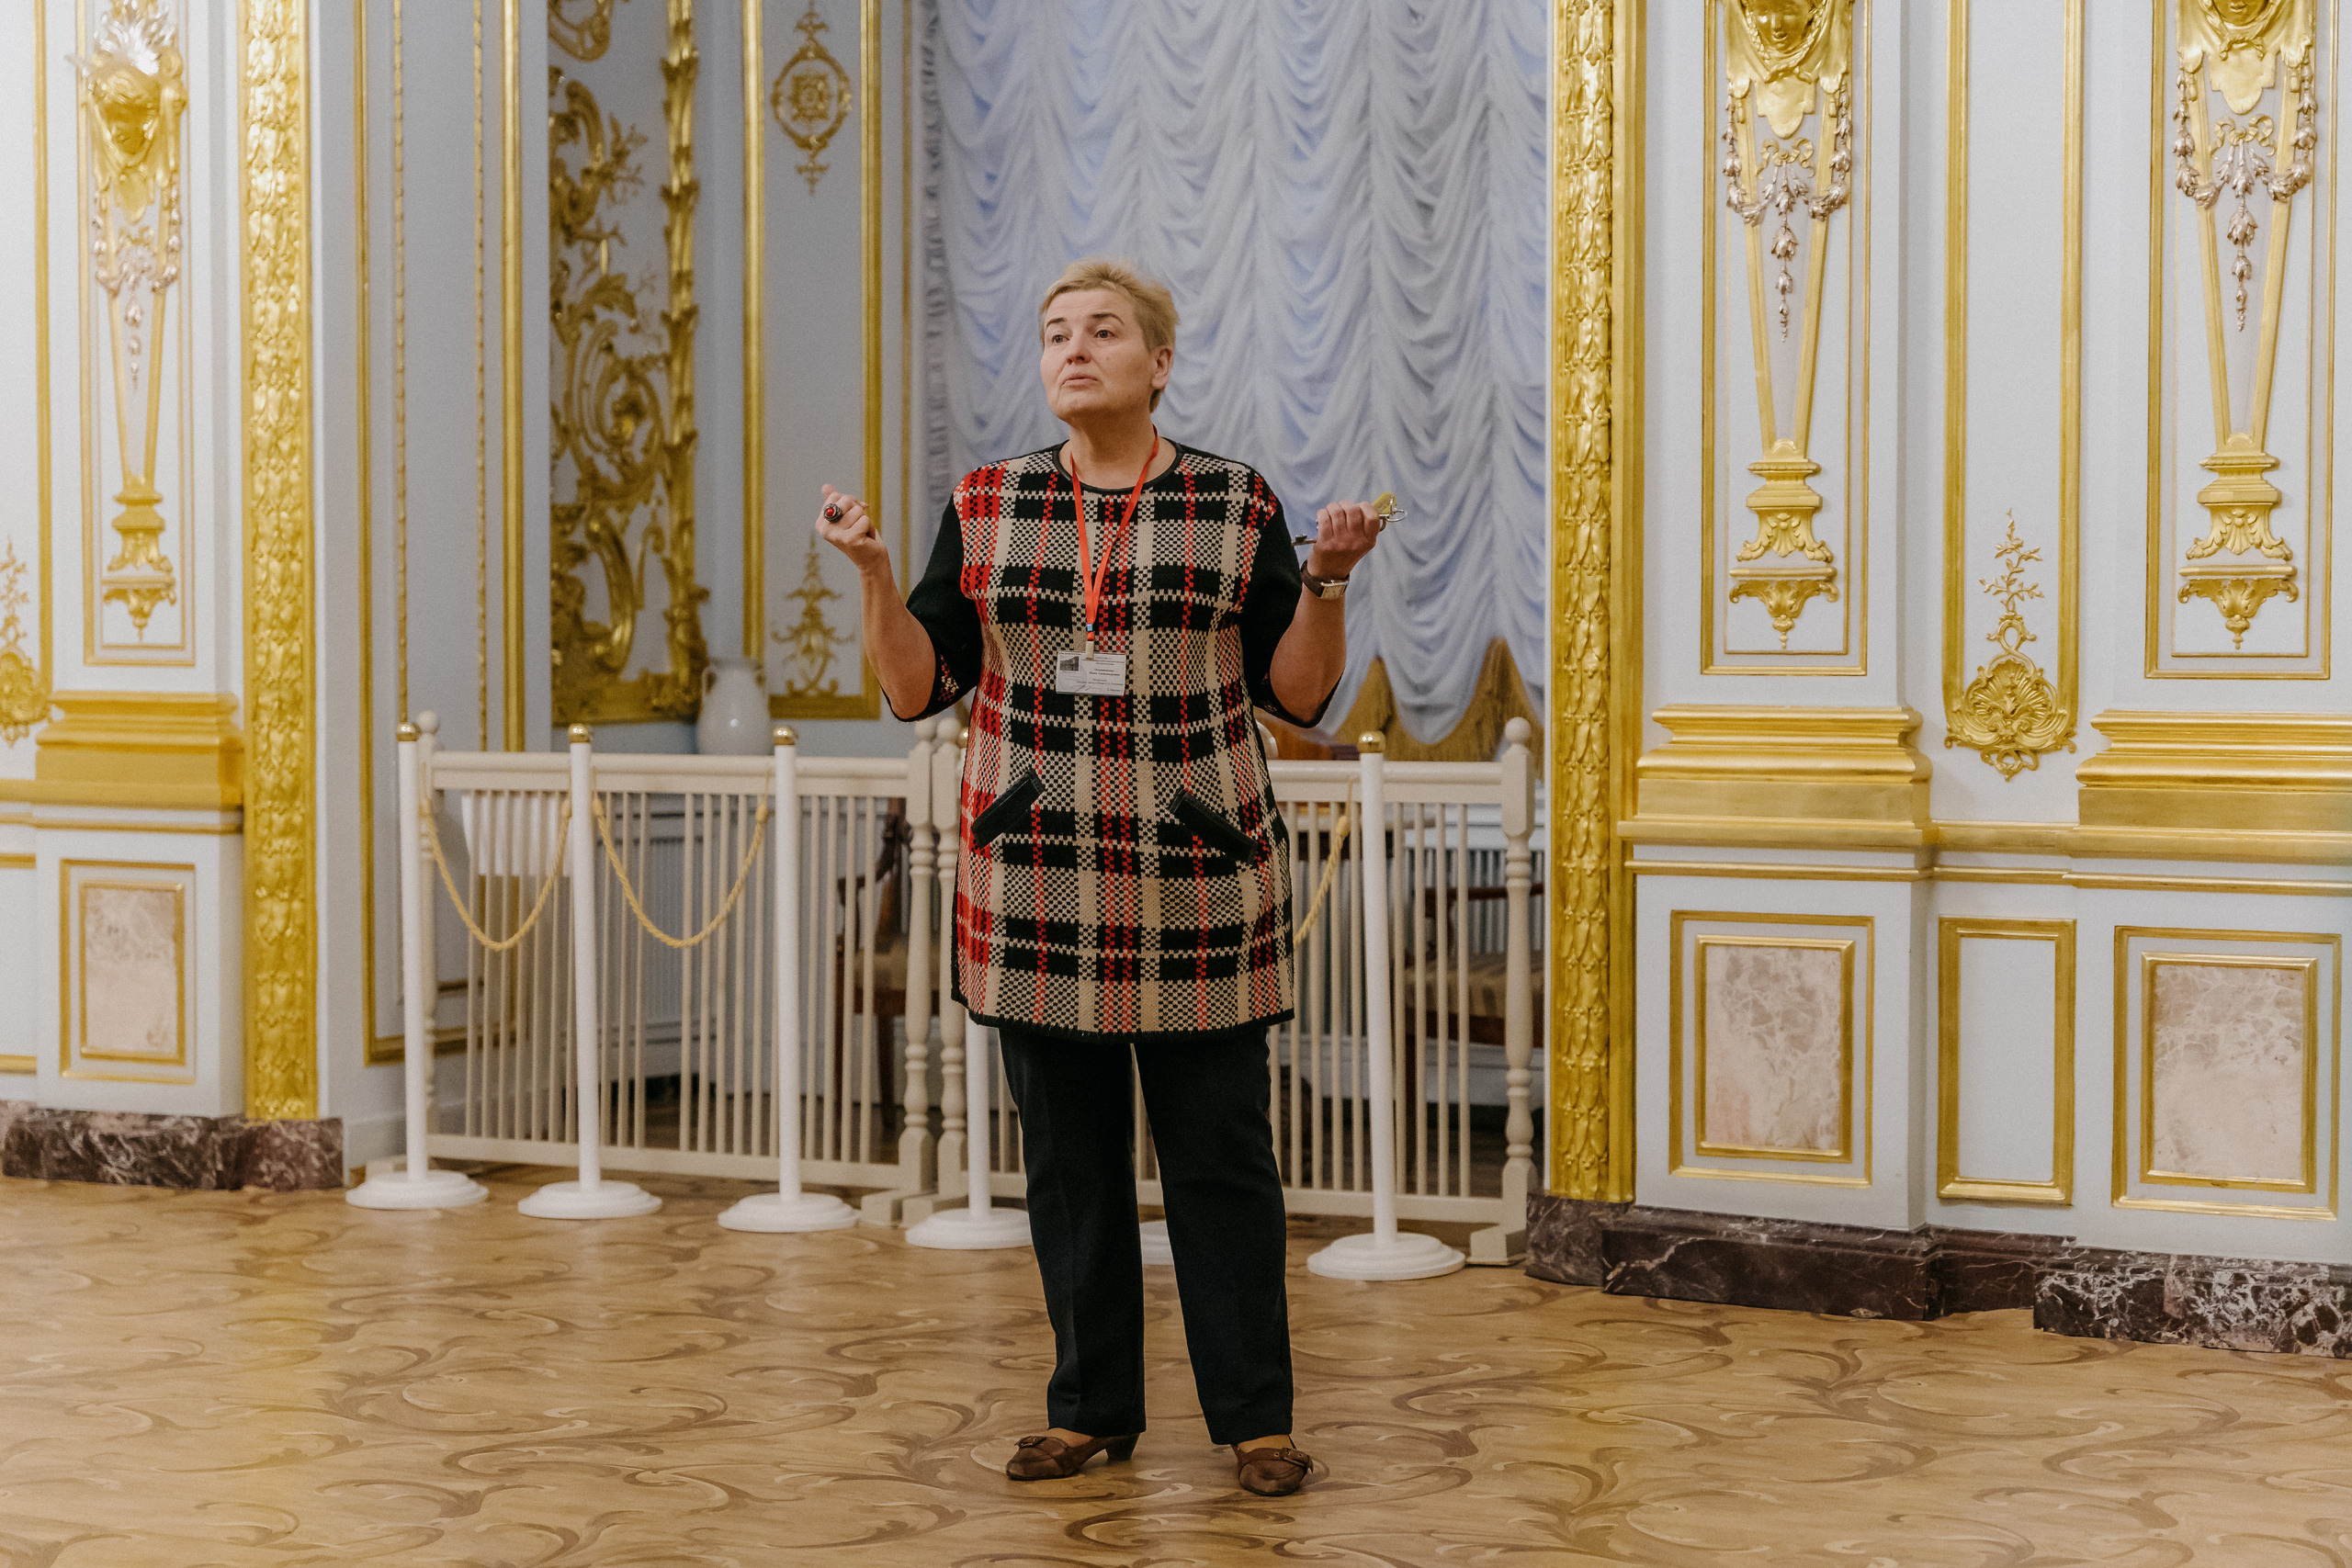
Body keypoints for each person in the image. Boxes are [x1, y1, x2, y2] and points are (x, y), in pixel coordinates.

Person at [815, 257, 1378, 1498]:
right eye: (1055, 332)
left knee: (1219, 1161)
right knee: (1070, 1170)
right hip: (1038, 877)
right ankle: (1090, 1410)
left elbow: (1296, 695)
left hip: (1195, 877)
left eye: (1104, 331)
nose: (1074, 349)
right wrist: (873, 574)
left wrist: (1329, 581)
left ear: (1158, 363)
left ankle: (1256, 1422)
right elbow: (917, 688)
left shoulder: (1234, 502)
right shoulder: (986, 503)